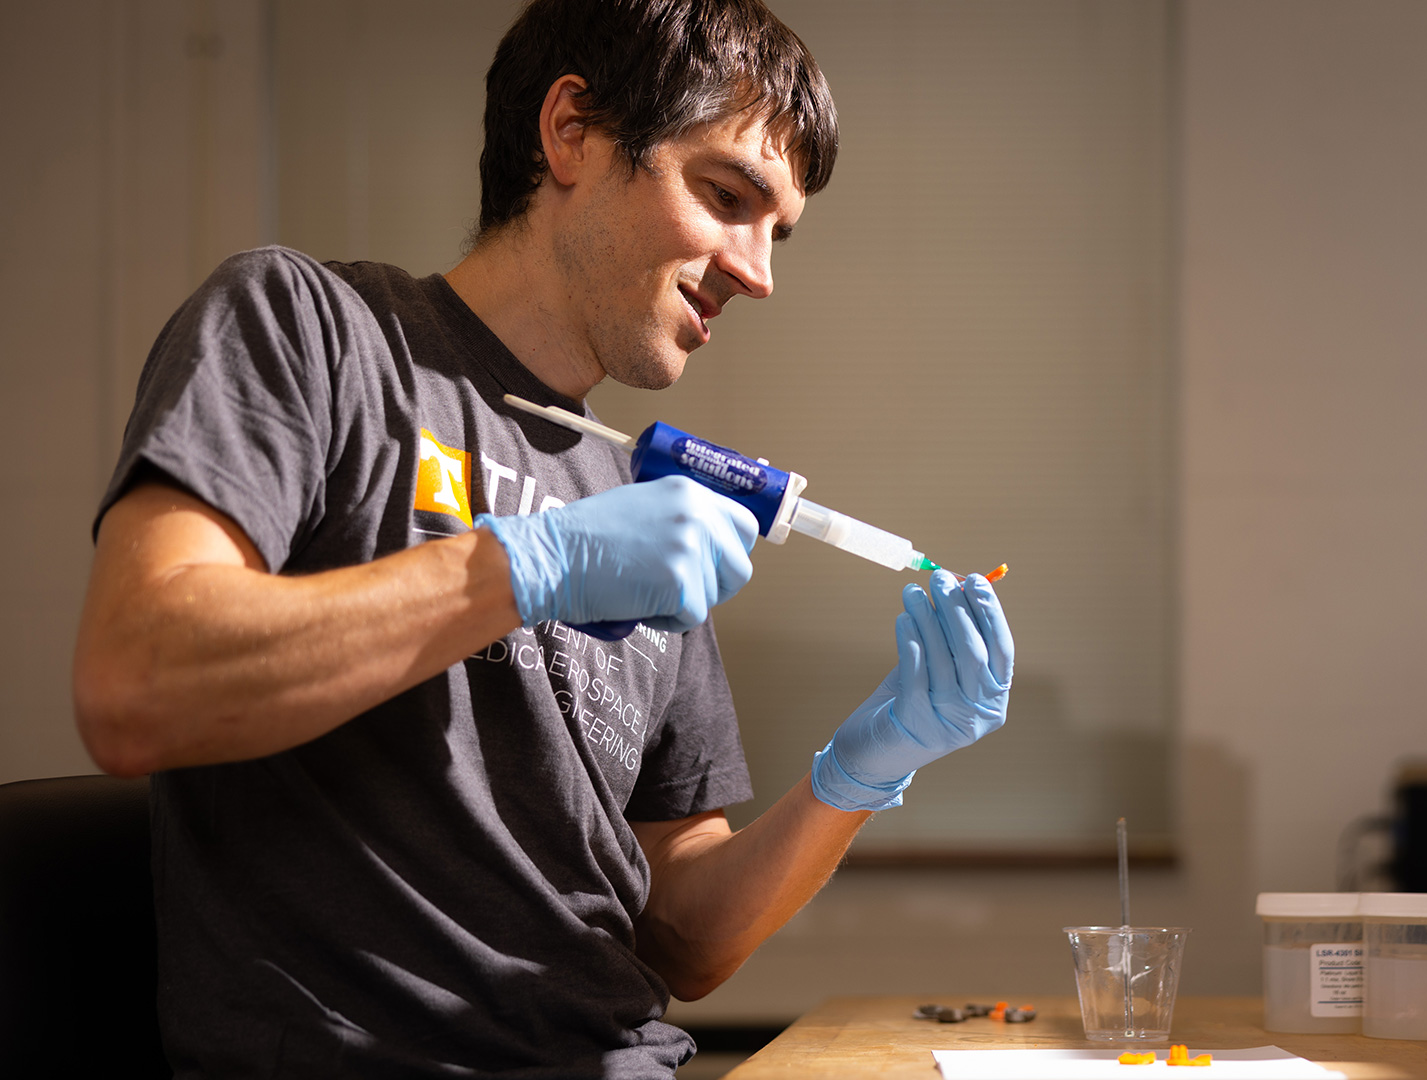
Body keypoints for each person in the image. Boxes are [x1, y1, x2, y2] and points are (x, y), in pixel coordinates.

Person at [69, 1, 1014, 1076]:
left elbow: (681, 939)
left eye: (778, 229)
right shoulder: (311, 334)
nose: (758, 271)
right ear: (572, 133)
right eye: (726, 196)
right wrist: (524, 563)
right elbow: (134, 679)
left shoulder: (644, 493)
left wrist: (864, 771)